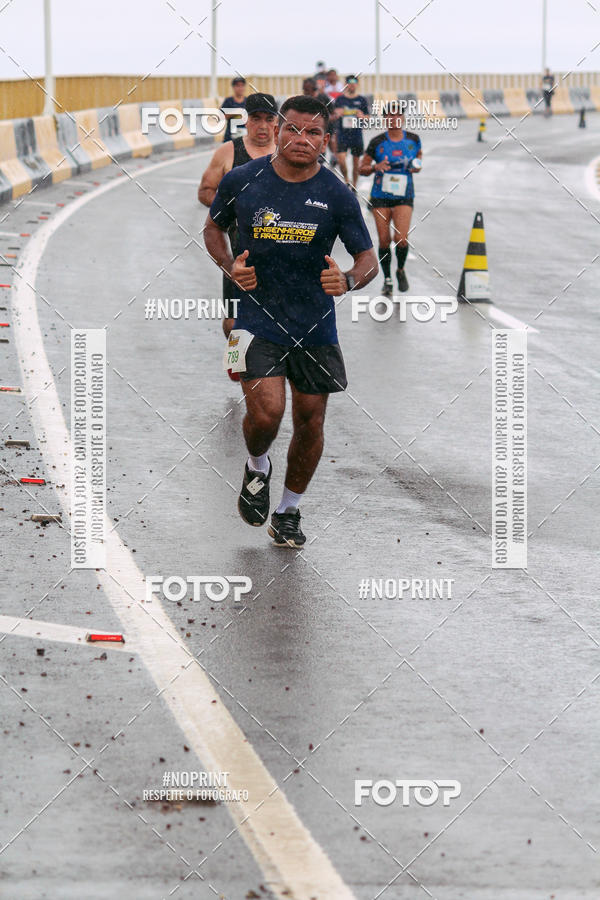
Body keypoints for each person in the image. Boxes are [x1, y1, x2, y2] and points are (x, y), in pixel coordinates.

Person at [204, 95, 377, 547]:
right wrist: (229, 267)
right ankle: (257, 467)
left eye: (314, 133)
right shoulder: (244, 179)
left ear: (326, 139)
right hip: (256, 317)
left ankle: (288, 512)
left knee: (310, 419)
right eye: (294, 130)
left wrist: (350, 279)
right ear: (278, 131)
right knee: (267, 413)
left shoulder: (337, 192)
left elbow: (366, 257)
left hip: (315, 324)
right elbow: (212, 227)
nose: (302, 140)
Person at [198, 93, 278, 348]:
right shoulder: (229, 152)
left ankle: (263, 374)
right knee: (233, 323)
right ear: (246, 120)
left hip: (281, 255)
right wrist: (234, 206)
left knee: (277, 322)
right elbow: (205, 190)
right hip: (238, 256)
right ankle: (239, 365)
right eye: (256, 119)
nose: (262, 126)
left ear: (276, 122)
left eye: (268, 119)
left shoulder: (286, 153)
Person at [359, 108, 422, 296]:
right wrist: (374, 167)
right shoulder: (377, 142)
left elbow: (419, 161)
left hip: (404, 194)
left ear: (402, 118)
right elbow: (362, 168)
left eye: (397, 115)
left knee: (401, 239)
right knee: (385, 240)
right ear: (385, 119)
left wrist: (416, 167)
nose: (394, 119)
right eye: (390, 116)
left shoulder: (413, 139)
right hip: (380, 196)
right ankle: (387, 279)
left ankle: (400, 270)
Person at [333, 76, 369, 187]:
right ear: (346, 84)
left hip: (356, 135)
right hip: (343, 134)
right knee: (341, 161)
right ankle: (347, 180)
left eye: (354, 83)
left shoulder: (361, 100)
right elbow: (333, 116)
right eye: (349, 83)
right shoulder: (340, 100)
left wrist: (362, 116)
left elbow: (368, 117)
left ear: (357, 85)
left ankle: (354, 184)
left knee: (356, 163)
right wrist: (337, 114)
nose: (352, 85)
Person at [221, 76, 247, 142]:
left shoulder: (248, 101)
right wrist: (235, 112)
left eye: (242, 86)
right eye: (238, 86)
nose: (240, 88)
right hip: (230, 135)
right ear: (233, 87)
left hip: (245, 135)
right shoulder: (228, 101)